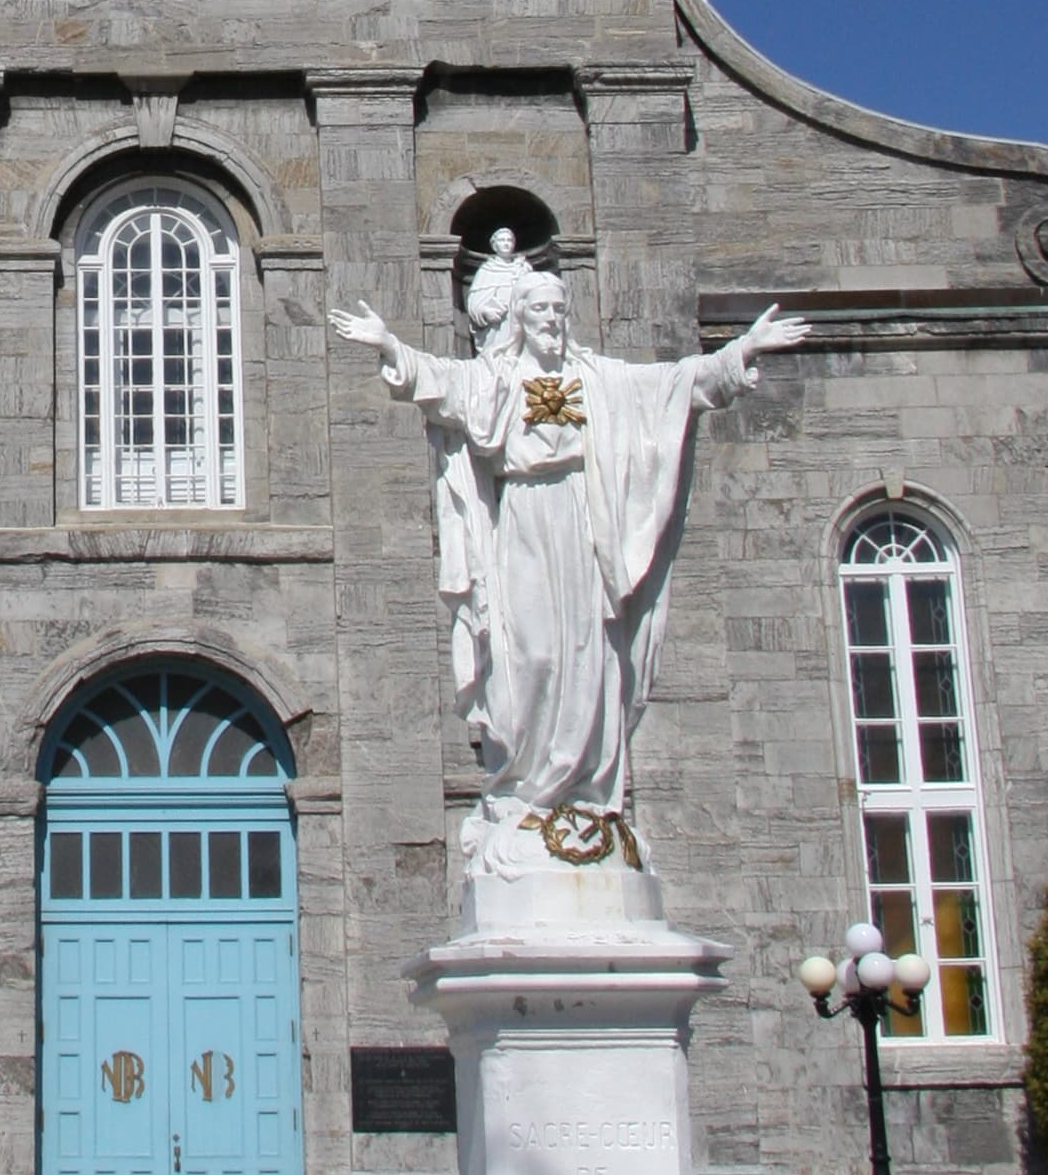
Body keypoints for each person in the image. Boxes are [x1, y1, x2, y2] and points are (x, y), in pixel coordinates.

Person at [329, 241, 807, 816]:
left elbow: (680, 384)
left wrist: (739, 352)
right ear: (519, 319)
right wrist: (389, 344)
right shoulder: (497, 379)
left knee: (589, 650)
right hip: (526, 519)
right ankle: (525, 783)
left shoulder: (598, 379)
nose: (551, 321)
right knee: (529, 653)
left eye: (558, 311)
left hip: (586, 517)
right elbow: (440, 383)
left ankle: (582, 790)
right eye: (539, 311)